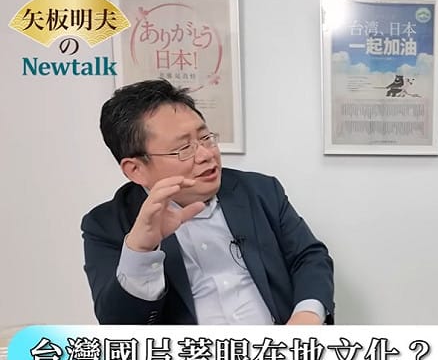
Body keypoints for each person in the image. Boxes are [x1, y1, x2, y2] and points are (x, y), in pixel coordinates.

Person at [82, 79, 334, 325]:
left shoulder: (259, 191)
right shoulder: (106, 225)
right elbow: (118, 326)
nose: (206, 154)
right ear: (136, 169)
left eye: (205, 138)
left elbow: (309, 257)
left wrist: (307, 316)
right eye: (183, 148)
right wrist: (141, 250)